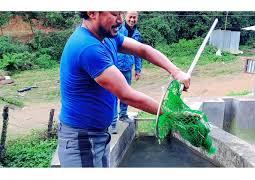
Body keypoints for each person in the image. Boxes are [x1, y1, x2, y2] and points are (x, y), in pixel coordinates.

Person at [58, 11, 190, 167]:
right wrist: (171, 114)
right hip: (82, 141)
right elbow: (127, 95)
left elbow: (143, 50)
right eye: (114, 14)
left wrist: (176, 71)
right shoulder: (87, 47)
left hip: (98, 135)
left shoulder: (107, 38)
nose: (120, 20)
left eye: (121, 13)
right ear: (92, 12)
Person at [110, 11, 142, 134]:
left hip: (128, 68)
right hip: (115, 68)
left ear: (137, 19)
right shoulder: (117, 30)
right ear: (125, 17)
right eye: (130, 17)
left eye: (134, 17)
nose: (132, 19)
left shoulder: (137, 34)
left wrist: (138, 69)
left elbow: (138, 52)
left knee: (126, 94)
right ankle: (112, 123)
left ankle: (123, 115)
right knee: (113, 95)